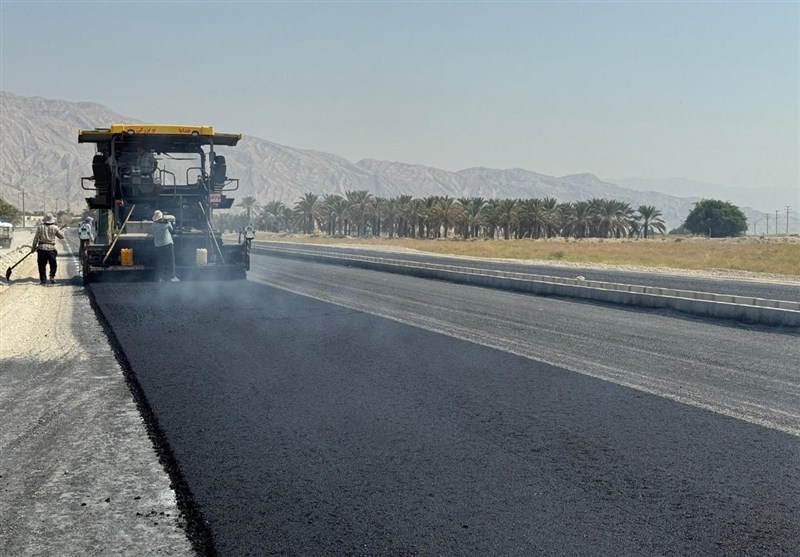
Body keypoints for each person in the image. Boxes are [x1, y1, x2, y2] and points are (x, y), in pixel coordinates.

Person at [31, 213, 64, 285]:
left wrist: (33, 248)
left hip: (41, 249)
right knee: (53, 264)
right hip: (51, 249)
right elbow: (62, 236)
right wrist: (58, 232)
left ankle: (43, 280)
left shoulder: (40, 227)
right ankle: (52, 276)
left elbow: (35, 239)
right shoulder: (55, 228)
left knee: (41, 265)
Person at [151, 210, 179, 282]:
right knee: (171, 261)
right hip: (168, 244)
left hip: (158, 245)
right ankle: (172, 277)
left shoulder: (153, 225)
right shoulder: (166, 223)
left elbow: (151, 232)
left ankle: (159, 277)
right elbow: (172, 230)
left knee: (160, 261)